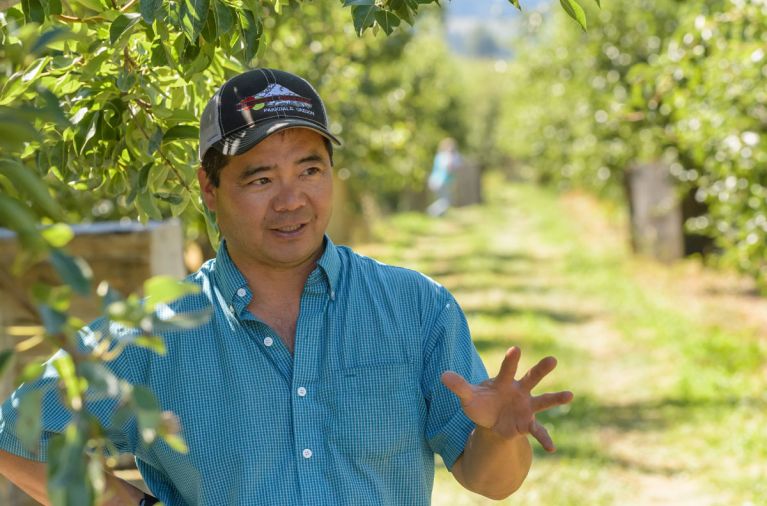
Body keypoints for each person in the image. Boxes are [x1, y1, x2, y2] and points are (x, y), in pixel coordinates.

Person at [0, 68, 573, 505]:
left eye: (309, 169)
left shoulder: (414, 307)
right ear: (209, 186)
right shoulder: (157, 332)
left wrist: (500, 436)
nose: (292, 200)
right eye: (260, 178)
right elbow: (19, 432)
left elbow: (489, 480)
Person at [427, 138, 462, 217]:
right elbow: (449, 168)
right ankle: (431, 211)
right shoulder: (443, 157)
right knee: (446, 201)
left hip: (442, 181)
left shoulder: (441, 156)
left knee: (443, 200)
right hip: (440, 181)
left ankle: (439, 216)